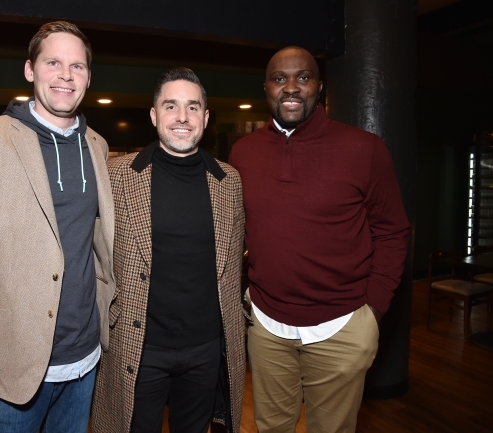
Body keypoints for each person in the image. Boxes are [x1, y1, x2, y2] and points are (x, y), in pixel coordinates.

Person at [0, 21, 115, 433]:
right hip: (9, 369)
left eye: (77, 66)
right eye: (53, 63)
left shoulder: (97, 147)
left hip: (84, 359)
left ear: (88, 77)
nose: (66, 75)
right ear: (30, 70)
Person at [229, 46, 410, 433]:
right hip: (266, 327)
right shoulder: (242, 153)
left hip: (341, 326)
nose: (291, 87)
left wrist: (372, 312)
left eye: (303, 78)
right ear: (266, 88)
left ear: (319, 87)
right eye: (280, 79)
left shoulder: (365, 149)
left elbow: (393, 231)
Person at [91, 68, 246, 433]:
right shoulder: (117, 176)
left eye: (193, 108)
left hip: (205, 349)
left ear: (205, 118)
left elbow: (233, 271)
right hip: (138, 346)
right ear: (153, 114)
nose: (181, 118)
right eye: (171, 106)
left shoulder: (229, 181)